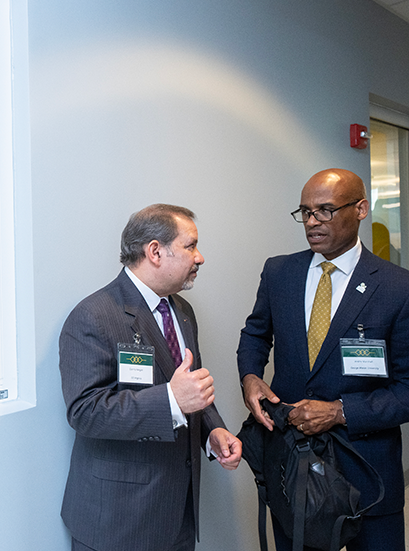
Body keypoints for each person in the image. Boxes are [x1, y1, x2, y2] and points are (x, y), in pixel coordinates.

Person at [237, 168, 409, 551]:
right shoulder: (280, 272)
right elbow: (254, 334)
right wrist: (250, 377)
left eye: (325, 210)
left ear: (361, 208)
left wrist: (340, 411)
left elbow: (407, 388)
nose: (312, 222)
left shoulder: (398, 287)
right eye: (305, 212)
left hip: (368, 469)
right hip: (294, 467)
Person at [59, 204, 242, 551]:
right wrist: (171, 400)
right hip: (118, 520)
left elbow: (191, 388)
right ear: (155, 251)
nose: (199, 257)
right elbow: (85, 412)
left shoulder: (182, 311)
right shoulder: (93, 316)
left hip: (177, 516)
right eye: (191, 246)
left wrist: (212, 431)